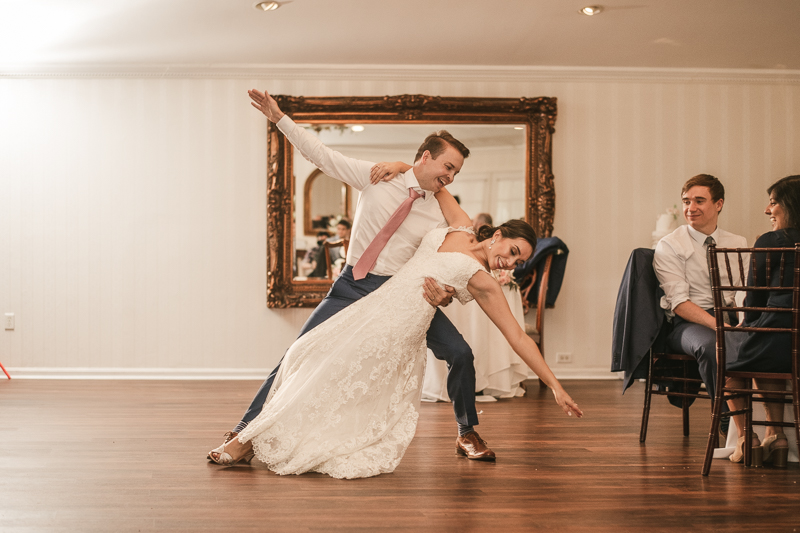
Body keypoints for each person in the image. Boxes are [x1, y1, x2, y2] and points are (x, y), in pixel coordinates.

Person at [209, 188, 583, 478]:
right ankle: (250, 433)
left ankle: (247, 443)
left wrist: (555, 385)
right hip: (377, 302)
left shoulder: (486, 282)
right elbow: (435, 180)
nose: (511, 262)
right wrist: (397, 167)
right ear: (498, 234)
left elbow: (517, 337)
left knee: (335, 372)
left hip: (402, 323)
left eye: (519, 262)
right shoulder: (460, 225)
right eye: (513, 251)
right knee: (305, 355)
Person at [210, 88, 493, 461]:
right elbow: (321, 155)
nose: (452, 177)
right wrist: (280, 118)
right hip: (351, 285)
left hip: (401, 296)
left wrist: (414, 172)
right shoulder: (375, 177)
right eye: (448, 167)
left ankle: (466, 432)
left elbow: (451, 241)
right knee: (296, 355)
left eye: (456, 171)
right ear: (426, 156)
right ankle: (246, 430)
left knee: (460, 352)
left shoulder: (439, 210)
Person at [724, 175, 800, 466]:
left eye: (773, 203)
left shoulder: (770, 242)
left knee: (732, 364)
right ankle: (777, 437)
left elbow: (752, 304)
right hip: (790, 346)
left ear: (790, 205)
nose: (768, 211)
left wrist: (748, 325)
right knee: (766, 347)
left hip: (777, 339)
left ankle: (747, 439)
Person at [653, 174, 747, 398]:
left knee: (766, 341)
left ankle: (766, 423)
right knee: (713, 347)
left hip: (732, 317)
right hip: (688, 323)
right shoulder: (670, 245)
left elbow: (743, 291)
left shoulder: (737, 243)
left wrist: (744, 324)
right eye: (686, 201)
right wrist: (720, 327)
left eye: (699, 201)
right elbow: (679, 304)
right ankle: (727, 421)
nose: (690, 208)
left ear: (719, 204)